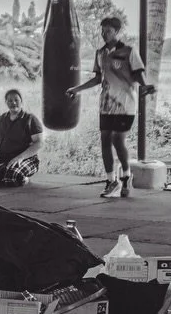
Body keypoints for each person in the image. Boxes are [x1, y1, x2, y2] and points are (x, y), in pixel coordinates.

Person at [66, 16, 155, 198]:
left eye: (107, 31)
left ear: (116, 32)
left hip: (125, 105)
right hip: (106, 105)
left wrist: (145, 86)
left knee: (117, 139)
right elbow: (98, 78)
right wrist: (77, 89)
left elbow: (138, 73)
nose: (104, 34)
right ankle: (110, 181)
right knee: (105, 140)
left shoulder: (129, 51)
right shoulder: (100, 53)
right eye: (102, 31)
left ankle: (126, 174)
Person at [0, 89, 44, 186]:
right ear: (6, 103)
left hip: (25, 158)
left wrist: (20, 158)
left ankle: (22, 178)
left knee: (12, 178)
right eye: (10, 100)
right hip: (3, 158)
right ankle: (3, 175)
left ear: (21, 101)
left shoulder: (30, 119)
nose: (13, 103)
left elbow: (39, 143)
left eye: (16, 100)